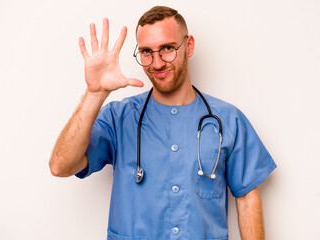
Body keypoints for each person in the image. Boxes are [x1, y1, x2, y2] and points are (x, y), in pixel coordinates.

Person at [49, 6, 277, 240]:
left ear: (189, 46)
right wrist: (94, 94)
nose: (157, 63)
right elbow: (61, 166)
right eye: (147, 52)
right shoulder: (119, 117)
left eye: (168, 48)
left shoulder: (227, 120)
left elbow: (247, 198)